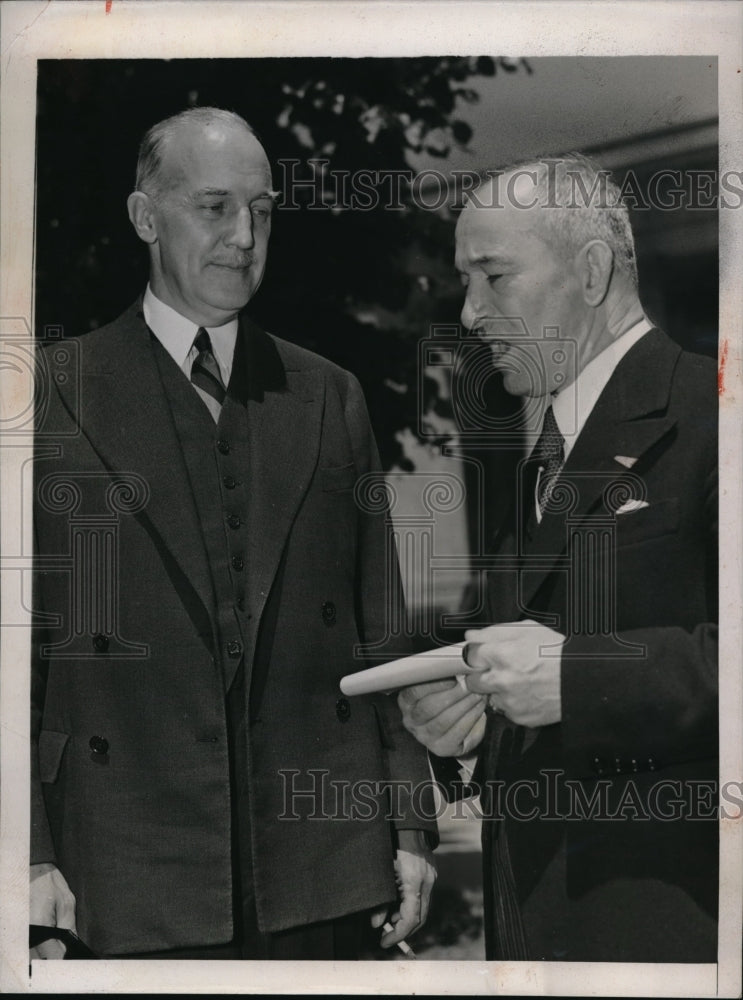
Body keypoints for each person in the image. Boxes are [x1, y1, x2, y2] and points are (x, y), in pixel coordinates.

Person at [31, 107, 436, 960]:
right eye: (215, 207)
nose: (244, 235)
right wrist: (27, 855)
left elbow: (383, 633)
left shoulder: (328, 394)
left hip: (323, 864)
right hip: (122, 869)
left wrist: (408, 826)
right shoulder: (47, 396)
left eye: (262, 210)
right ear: (147, 218)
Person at [398, 155, 718, 963]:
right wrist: (462, 726)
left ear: (590, 270)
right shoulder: (544, 452)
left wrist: (576, 677)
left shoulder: (716, 418)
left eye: (493, 276)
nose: (469, 313)